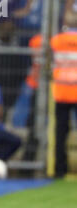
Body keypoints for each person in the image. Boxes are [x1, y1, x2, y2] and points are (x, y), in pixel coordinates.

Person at [50, 6, 77, 178]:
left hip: (61, 92)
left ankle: (60, 169)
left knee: (60, 133)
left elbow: (49, 61)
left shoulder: (56, 41)